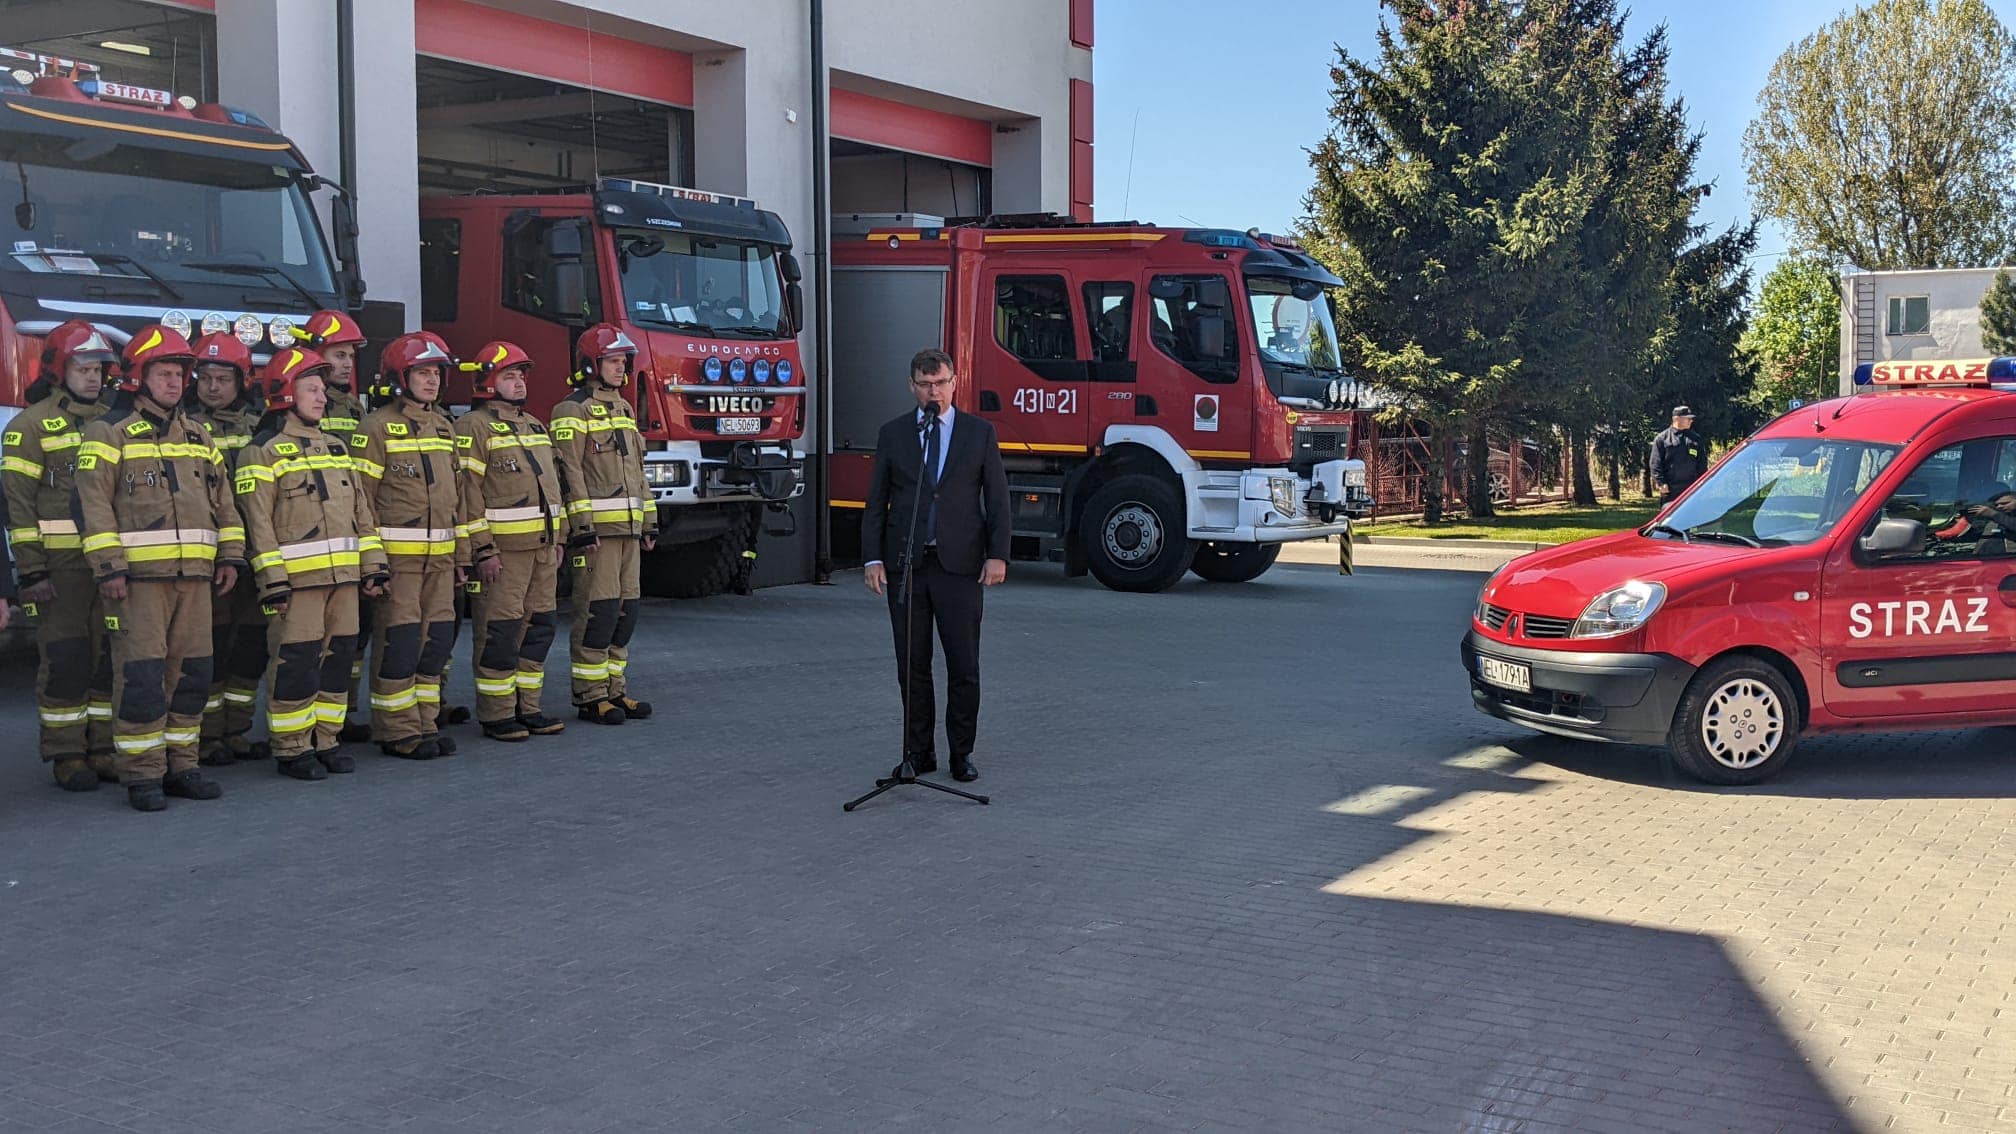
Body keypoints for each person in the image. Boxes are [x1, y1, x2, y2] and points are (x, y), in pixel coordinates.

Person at [74, 324, 245, 811]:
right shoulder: (107, 433)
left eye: (178, 374)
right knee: (143, 678)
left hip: (195, 580)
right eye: (164, 373)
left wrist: (231, 555)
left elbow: (224, 503)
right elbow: (92, 506)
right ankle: (143, 774)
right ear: (138, 378)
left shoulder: (198, 435)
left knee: (192, 675)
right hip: (138, 584)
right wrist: (109, 569)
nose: (174, 383)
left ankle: (183, 766)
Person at [236, 347, 390, 780]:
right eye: (311, 390)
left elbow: (362, 514)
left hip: (344, 582)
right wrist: (273, 582)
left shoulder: (337, 447)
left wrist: (373, 565)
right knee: (295, 665)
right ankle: (292, 748)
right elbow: (257, 524)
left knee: (337, 663)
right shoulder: (261, 452)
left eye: (323, 390)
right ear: (286, 392)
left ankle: (327, 740)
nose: (322, 398)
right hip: (297, 585)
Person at [860, 348, 1009, 783]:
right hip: (908, 566)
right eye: (925, 385)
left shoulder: (978, 433)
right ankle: (918, 752)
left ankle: (961, 753)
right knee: (912, 664)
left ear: (954, 383)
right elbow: (877, 500)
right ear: (912, 387)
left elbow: (997, 497)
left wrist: (998, 554)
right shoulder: (895, 434)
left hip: (960, 565)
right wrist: (873, 557)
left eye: (941, 383)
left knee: (963, 664)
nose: (934, 392)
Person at [4, 320, 118, 791]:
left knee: (109, 657)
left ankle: (104, 747)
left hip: (108, 568)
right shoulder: (28, 427)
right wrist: (32, 571)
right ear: (58, 370)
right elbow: (17, 507)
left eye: (98, 370)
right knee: (67, 658)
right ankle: (67, 754)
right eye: (82, 368)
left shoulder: (114, 422)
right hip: (61, 569)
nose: (93, 378)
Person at [355, 332, 480, 759]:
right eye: (422, 373)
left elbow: (458, 500)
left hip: (441, 563)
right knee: (400, 644)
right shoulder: (375, 428)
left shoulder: (444, 426)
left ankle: (425, 723)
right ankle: (397, 730)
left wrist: (463, 556)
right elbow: (362, 503)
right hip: (399, 565)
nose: (432, 381)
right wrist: (372, 563)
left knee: (434, 645)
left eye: (436, 373)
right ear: (398, 378)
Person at [455, 341, 568, 742]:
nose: (519, 383)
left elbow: (553, 488)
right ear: (488, 380)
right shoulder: (473, 426)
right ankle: (497, 713)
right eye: (509, 376)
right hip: (504, 554)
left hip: (543, 549)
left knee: (539, 629)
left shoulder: (534, 425)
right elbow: (468, 494)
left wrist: (559, 538)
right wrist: (482, 549)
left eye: (521, 376)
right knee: (500, 633)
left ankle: (528, 708)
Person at [551, 324, 656, 726]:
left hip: (628, 532)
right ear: (590, 364)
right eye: (612, 361)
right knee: (598, 614)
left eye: (622, 361)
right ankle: (590, 696)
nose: (620, 368)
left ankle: (615, 689)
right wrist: (582, 527)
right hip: (597, 536)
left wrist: (649, 522)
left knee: (625, 614)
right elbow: (569, 472)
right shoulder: (571, 409)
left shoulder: (624, 409)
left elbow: (638, 473)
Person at [185, 332, 269, 766]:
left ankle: (236, 729)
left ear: (243, 382)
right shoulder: (183, 426)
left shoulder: (263, 426)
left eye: (222, 379)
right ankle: (207, 735)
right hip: (211, 556)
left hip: (256, 554)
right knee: (211, 648)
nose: (213, 387)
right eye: (205, 378)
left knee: (251, 646)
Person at [294, 309, 373, 741]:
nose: (346, 364)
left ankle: (341, 716)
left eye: (349, 356)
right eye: (337, 355)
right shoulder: (301, 406)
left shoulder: (353, 406)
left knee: (349, 640)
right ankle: (306, 727)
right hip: (313, 539)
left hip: (349, 534)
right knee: (310, 644)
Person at [1652, 406, 1707, 502]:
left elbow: (1702, 463)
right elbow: (1655, 463)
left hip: (1692, 489)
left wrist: (1702, 483)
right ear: (1677, 419)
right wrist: (1661, 483)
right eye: (1688, 418)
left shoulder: (1695, 439)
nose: (1691, 421)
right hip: (1670, 490)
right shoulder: (1662, 439)